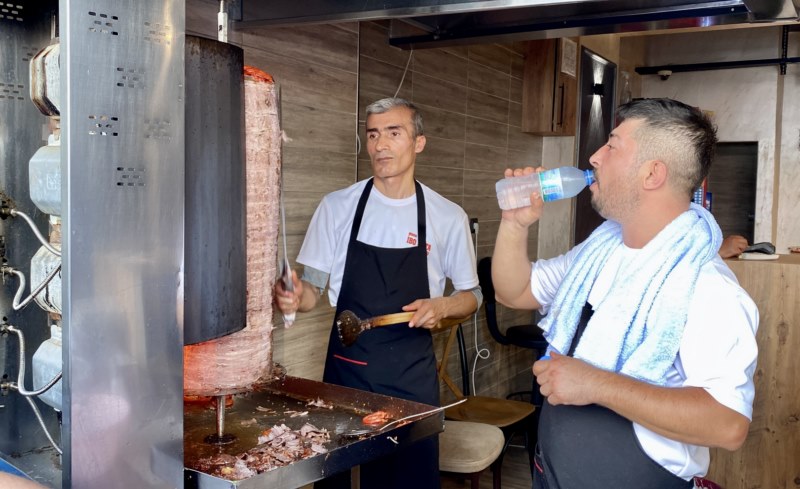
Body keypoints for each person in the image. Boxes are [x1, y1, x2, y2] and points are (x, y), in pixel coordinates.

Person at [492, 98, 758, 489]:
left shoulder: (707, 288)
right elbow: (514, 291)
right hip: (555, 472)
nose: (595, 157)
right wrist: (515, 225)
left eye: (612, 145)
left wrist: (595, 384)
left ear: (652, 173)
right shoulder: (596, 254)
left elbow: (728, 424)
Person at [273, 97, 480, 489]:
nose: (380, 144)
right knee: (336, 478)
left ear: (418, 143)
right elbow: (313, 290)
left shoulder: (445, 215)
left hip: (411, 378)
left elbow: (472, 295)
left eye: (393, 133)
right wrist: (294, 296)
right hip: (346, 373)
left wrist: (445, 305)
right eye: (372, 134)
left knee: (408, 480)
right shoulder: (337, 207)